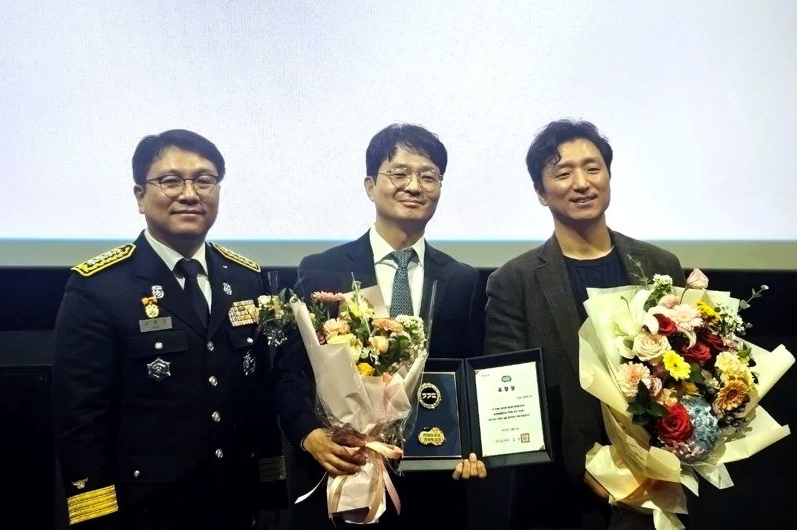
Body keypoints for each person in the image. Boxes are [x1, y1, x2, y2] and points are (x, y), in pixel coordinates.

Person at [52, 129, 286, 529]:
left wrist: (270, 491)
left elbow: (260, 399)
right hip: (145, 509)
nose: (190, 194)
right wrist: (95, 513)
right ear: (140, 195)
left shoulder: (245, 278)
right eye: (171, 181)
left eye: (204, 180)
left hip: (235, 501)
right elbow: (80, 417)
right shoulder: (100, 286)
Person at [274, 123, 487, 529]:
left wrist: (475, 444)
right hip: (343, 469)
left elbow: (472, 374)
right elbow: (290, 372)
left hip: (432, 481)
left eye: (429, 176)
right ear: (370, 186)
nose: (414, 186)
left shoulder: (462, 279)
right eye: (399, 173)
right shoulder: (322, 269)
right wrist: (309, 435)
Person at [483, 119, 685, 529]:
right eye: (563, 173)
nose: (582, 183)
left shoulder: (659, 266)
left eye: (593, 168)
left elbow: (686, 377)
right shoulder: (514, 281)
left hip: (654, 489)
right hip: (557, 500)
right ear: (541, 192)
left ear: (608, 176)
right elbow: (510, 397)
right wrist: (583, 465)